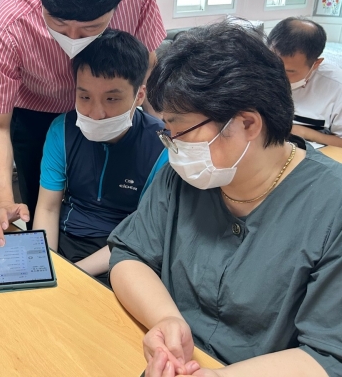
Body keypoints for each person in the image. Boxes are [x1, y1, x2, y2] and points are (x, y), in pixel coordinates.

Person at [108, 22, 342, 376]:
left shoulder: (330, 206)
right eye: (167, 131)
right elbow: (129, 254)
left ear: (247, 124)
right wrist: (167, 319)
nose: (173, 146)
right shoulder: (183, 177)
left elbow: (329, 355)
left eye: (180, 130)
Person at [0, 0, 166, 246]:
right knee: (40, 207)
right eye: (59, 24)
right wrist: (2, 202)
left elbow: (145, 60)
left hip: (118, 113)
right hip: (37, 117)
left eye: (91, 27)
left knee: (121, 209)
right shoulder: (9, 22)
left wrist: (157, 123)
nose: (74, 40)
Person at [32, 30, 167, 286]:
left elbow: (144, 231)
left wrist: (71, 275)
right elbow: (48, 207)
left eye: (112, 99)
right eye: (84, 97)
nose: (96, 113)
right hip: (67, 239)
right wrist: (45, 265)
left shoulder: (161, 147)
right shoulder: (62, 130)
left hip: (125, 253)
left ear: (139, 96)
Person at [268, 17, 342, 147]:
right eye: (272, 65)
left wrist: (305, 132)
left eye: (289, 71)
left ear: (316, 64)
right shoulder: (254, 68)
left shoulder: (336, 86)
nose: (277, 75)